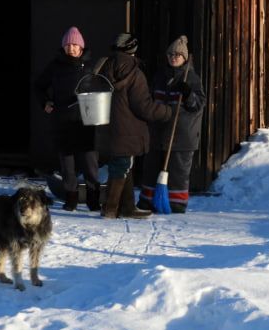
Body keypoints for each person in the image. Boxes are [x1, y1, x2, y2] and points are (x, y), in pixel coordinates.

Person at [96, 32, 172, 219]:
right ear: (133, 49)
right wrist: (166, 112)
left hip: (108, 127)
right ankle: (110, 208)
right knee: (121, 165)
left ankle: (127, 207)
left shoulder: (103, 66)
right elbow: (143, 106)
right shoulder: (135, 73)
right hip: (128, 128)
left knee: (123, 164)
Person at [33, 26, 101, 212]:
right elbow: (39, 86)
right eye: (68, 44)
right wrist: (45, 102)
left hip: (87, 120)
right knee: (67, 163)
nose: (71, 48)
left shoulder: (91, 67)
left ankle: (93, 198)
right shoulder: (55, 66)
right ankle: (71, 198)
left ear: (81, 47)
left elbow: (102, 89)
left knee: (90, 162)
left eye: (74, 45)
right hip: (63, 119)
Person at [140, 35, 206, 214]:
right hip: (159, 131)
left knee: (178, 172)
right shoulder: (160, 77)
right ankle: (147, 200)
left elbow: (198, 104)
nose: (174, 57)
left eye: (178, 55)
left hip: (182, 135)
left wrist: (188, 95)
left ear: (184, 58)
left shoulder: (191, 78)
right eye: (171, 54)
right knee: (151, 167)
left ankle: (176, 203)